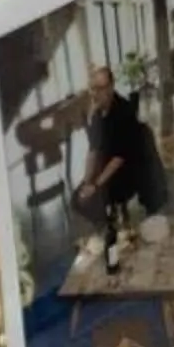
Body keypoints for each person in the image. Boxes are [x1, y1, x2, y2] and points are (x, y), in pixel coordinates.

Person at [71, 66, 149, 248]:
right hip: (106, 166)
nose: (96, 93)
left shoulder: (124, 111)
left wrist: (96, 185)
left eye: (101, 88)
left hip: (127, 170)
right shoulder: (97, 113)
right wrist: (86, 180)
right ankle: (107, 226)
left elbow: (119, 158)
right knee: (77, 198)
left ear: (111, 87)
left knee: (99, 195)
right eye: (93, 89)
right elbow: (93, 150)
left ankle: (113, 228)